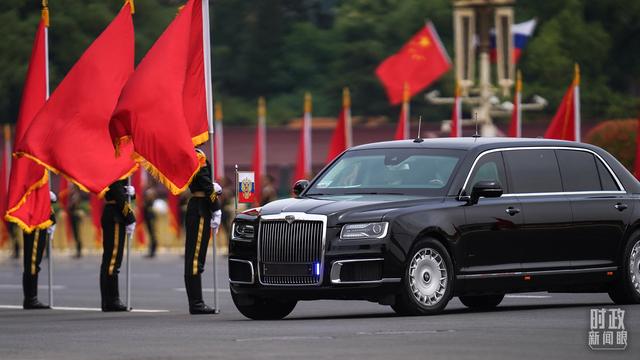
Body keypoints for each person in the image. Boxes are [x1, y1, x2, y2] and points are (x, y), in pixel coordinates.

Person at [184, 149, 222, 314]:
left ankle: (196, 302)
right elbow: (205, 184)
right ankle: (196, 303)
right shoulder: (197, 154)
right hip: (201, 207)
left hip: (198, 205)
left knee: (195, 257)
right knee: (195, 259)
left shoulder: (191, 152)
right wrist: (216, 207)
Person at [99, 180, 135, 312]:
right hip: (115, 214)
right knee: (112, 261)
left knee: (110, 261)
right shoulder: (115, 168)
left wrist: (131, 192)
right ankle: (111, 300)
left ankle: (108, 300)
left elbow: (120, 192)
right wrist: (130, 217)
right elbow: (117, 192)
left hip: (115, 213)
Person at [22, 191, 57, 309]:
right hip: (36, 219)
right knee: (32, 261)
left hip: (39, 217)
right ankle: (31, 299)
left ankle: (31, 298)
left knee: (33, 261)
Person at [68, 185, 84, 258]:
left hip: (75, 216)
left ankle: (79, 251)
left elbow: (73, 206)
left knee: (77, 233)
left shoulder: (76, 195)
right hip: (73, 216)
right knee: (75, 234)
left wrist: (69, 207)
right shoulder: (73, 195)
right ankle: (78, 250)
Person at [143, 186, 158, 258]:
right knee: (150, 234)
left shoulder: (152, 195)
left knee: (152, 234)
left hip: (150, 217)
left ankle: (153, 250)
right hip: (147, 217)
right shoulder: (146, 201)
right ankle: (151, 250)